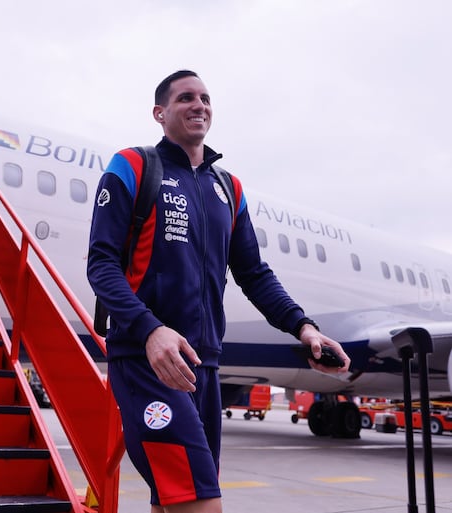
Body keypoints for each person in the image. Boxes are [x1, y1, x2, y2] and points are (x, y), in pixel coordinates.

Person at [86, 70, 351, 513]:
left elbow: (253, 273)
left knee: (173, 501)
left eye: (206, 98)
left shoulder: (228, 188)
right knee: (201, 502)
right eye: (186, 98)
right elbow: (101, 265)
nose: (199, 105)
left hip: (204, 367)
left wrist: (303, 328)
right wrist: (151, 331)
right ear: (160, 112)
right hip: (147, 360)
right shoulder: (133, 166)